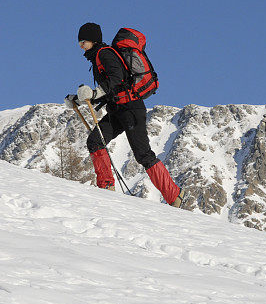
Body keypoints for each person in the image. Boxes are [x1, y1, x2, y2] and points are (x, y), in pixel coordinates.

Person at [73, 22, 184, 208]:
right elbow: (109, 90)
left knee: (143, 154)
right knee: (95, 141)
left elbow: (117, 80)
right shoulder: (97, 58)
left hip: (131, 108)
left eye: (82, 41)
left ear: (92, 40)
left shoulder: (105, 54)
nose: (80, 46)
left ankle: (174, 195)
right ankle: (106, 187)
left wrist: (94, 94)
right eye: (79, 42)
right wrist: (79, 99)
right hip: (117, 110)